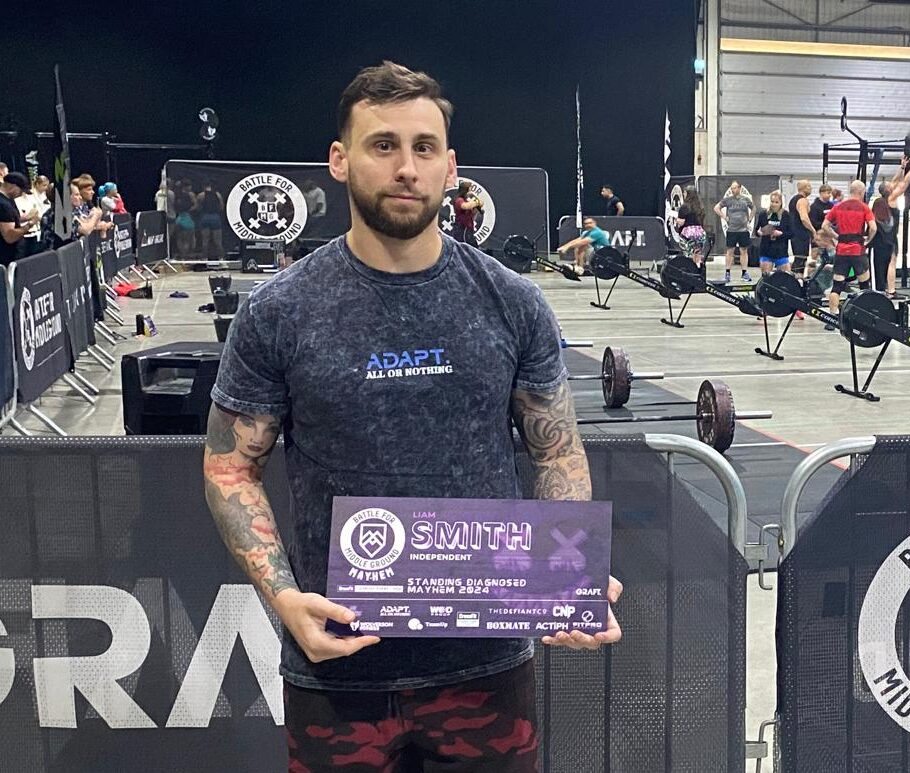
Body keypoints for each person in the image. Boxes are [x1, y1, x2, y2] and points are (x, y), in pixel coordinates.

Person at [205, 63, 621, 773]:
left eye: (425, 148)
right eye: (383, 145)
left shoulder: (512, 301)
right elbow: (230, 464)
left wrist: (567, 578)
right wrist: (283, 599)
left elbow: (555, 451)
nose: (406, 167)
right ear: (340, 160)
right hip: (339, 671)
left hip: (487, 669)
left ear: (450, 165)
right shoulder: (279, 310)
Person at [821, 180, 877, 330]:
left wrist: (836, 236)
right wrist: (867, 240)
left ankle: (832, 318)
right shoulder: (864, 208)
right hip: (858, 251)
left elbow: (824, 226)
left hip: (841, 251)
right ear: (861, 192)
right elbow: (873, 227)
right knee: (864, 285)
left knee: (837, 286)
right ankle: (866, 316)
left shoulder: (838, 207)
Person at [871, 154, 910, 296]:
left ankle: (885, 289)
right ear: (888, 190)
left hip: (883, 237)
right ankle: (891, 290)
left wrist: (902, 167)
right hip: (889, 237)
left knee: (884, 264)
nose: (893, 184)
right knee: (891, 263)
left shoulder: (881, 199)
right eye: (891, 186)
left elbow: (894, 181)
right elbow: (904, 183)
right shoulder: (891, 198)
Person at [714, 180, 753, 282]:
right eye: (732, 188)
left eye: (735, 188)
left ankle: (744, 273)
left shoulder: (746, 199)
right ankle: (727, 273)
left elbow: (754, 208)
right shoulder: (728, 200)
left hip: (743, 230)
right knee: (730, 251)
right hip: (732, 230)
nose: (733, 190)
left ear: (740, 188)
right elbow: (716, 208)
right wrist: (724, 217)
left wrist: (749, 219)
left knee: (743, 251)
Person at [1, 173, 41, 266]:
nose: (21, 194)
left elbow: (10, 220)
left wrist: (26, 218)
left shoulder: (8, 200)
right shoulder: (3, 206)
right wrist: (30, 224)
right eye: (21, 190)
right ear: (13, 187)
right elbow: (9, 236)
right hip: (7, 257)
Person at [807, 184, 836, 293]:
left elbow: (835, 219)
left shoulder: (832, 206)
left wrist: (830, 228)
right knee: (815, 261)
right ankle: (811, 282)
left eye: (830, 193)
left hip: (828, 236)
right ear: (821, 193)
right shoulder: (815, 206)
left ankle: (830, 284)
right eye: (827, 193)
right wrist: (821, 230)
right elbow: (813, 222)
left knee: (830, 258)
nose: (828, 195)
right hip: (818, 236)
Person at [755, 191, 790, 276]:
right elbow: (756, 230)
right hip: (766, 250)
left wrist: (781, 234)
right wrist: (759, 233)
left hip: (781, 251)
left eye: (776, 202)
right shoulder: (763, 214)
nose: (774, 204)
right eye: (772, 201)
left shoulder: (786, 215)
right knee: (766, 278)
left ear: (781, 203)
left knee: (785, 278)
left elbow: (791, 233)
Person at [15, 175, 51, 256]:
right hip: (23, 235)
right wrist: (29, 217)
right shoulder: (16, 200)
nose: (46, 188)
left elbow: (36, 211)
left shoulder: (30, 198)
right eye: (44, 185)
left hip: (35, 232)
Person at [788, 180, 815, 280]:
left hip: (795, 234)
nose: (811, 188)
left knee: (799, 259)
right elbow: (804, 218)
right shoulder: (802, 200)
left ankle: (794, 280)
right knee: (800, 259)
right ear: (805, 188)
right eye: (809, 186)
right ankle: (796, 281)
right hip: (800, 234)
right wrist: (813, 230)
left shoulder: (793, 200)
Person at [675, 185, 708, 267]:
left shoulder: (684, 206)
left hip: (688, 233)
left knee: (689, 254)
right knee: (697, 253)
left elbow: (682, 222)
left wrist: (676, 220)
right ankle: (699, 269)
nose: (683, 194)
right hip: (700, 232)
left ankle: (690, 270)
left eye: (684, 192)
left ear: (688, 194)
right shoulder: (700, 206)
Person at [197, 182, 225, 259]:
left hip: (205, 217)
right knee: (218, 241)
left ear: (203, 186)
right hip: (215, 217)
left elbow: (198, 207)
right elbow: (221, 207)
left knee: (205, 240)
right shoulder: (218, 194)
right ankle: (221, 258)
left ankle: (204, 258)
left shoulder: (201, 195)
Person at [450, 179, 482, 246]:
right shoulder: (459, 200)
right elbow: (465, 206)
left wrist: (477, 208)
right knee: (463, 247)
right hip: (461, 228)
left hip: (468, 228)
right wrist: (476, 202)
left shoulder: (466, 200)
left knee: (473, 247)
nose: (471, 191)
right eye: (470, 189)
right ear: (466, 190)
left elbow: (472, 213)